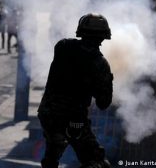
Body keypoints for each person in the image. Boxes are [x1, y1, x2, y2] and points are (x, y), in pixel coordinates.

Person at [37, 13, 113, 168]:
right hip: (74, 121)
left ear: (81, 31)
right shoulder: (100, 64)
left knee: (52, 156)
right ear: (103, 37)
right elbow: (103, 103)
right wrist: (105, 81)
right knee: (97, 162)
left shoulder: (62, 46)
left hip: (48, 114)